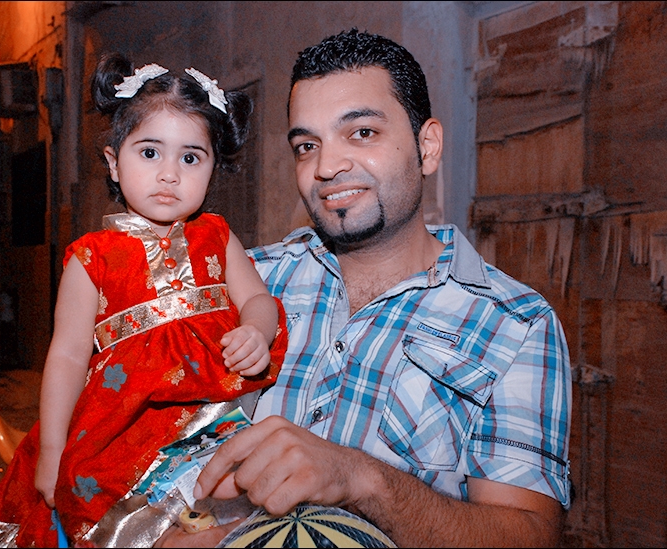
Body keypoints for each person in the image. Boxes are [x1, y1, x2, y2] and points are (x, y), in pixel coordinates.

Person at [159, 29, 573, 548]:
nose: (327, 167)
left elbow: (530, 534)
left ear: (427, 147)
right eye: (307, 146)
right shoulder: (242, 283)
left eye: (362, 133)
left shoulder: (516, 324)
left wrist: (361, 480)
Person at [0, 53, 289, 548]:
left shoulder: (217, 236)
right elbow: (67, 356)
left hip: (211, 414)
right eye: (150, 152)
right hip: (121, 426)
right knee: (121, 519)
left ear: (212, 167)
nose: (169, 174)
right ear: (113, 161)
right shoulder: (92, 257)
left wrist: (256, 329)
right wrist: (53, 450)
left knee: (238, 508)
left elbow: (258, 297)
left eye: (190, 158)